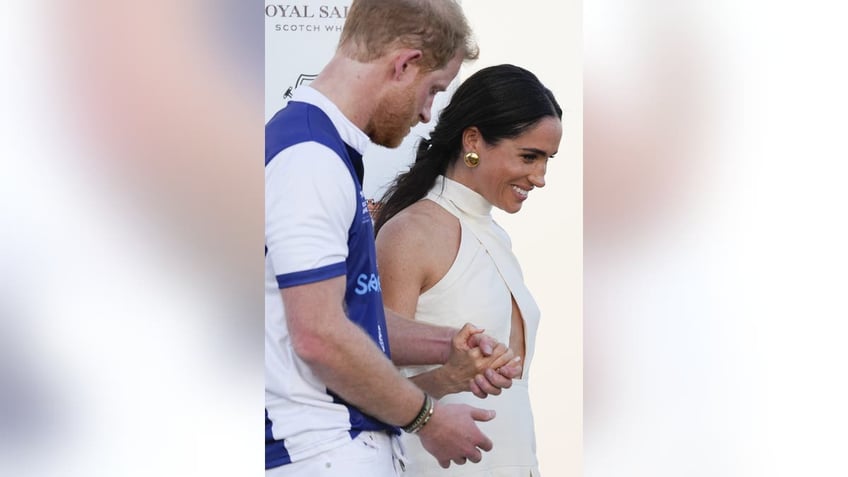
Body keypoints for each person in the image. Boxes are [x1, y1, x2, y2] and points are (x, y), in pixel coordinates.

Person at [265, 1, 523, 476]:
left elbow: (349, 316)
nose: (427, 115)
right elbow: (319, 334)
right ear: (404, 64)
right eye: (432, 91)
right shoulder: (309, 159)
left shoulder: (321, 151)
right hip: (317, 452)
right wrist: (427, 418)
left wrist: (449, 343)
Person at [374, 64, 564, 476]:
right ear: (473, 140)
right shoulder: (412, 234)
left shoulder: (494, 236)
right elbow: (368, 392)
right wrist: (446, 379)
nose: (540, 177)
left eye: (547, 160)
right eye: (529, 156)